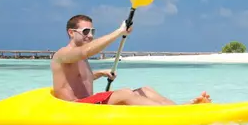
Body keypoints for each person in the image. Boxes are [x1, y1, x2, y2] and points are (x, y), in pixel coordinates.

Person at [51, 14, 210, 106]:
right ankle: (174, 116)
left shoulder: (78, 57)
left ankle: (180, 109)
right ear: (71, 33)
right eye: (86, 31)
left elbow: (78, 80)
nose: (91, 35)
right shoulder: (63, 54)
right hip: (76, 107)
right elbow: (85, 52)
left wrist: (100, 73)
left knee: (145, 90)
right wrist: (119, 31)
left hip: (91, 103)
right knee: (125, 93)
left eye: (92, 31)